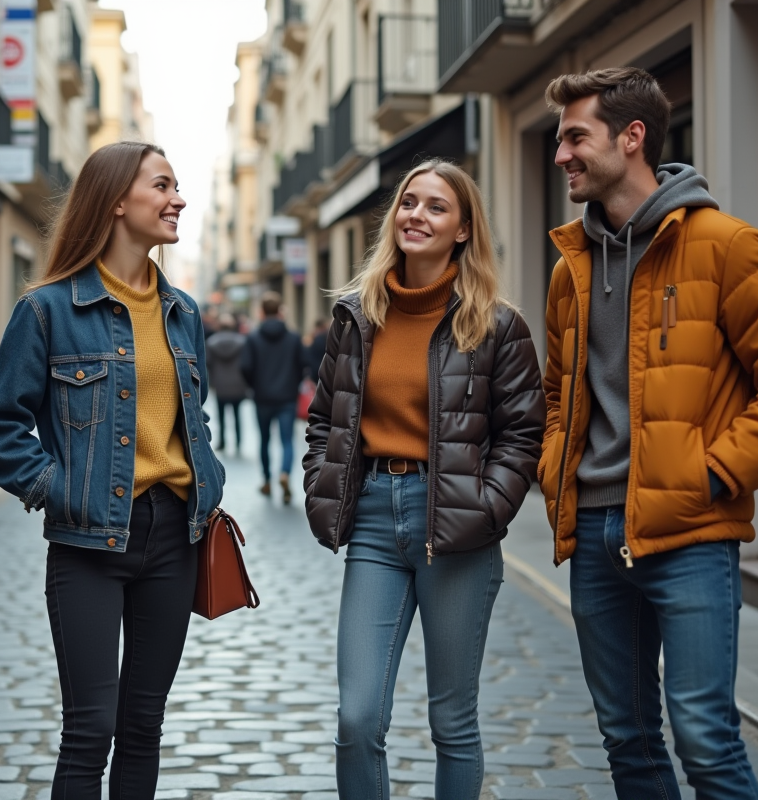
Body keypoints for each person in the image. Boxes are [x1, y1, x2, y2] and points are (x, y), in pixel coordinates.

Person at [540, 67, 758, 799]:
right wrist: (557, 470)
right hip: (595, 532)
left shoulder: (726, 245)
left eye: (576, 136)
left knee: (705, 737)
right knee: (627, 743)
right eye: (558, 139)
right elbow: (557, 393)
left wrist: (714, 473)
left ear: (631, 137)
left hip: (692, 536)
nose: (562, 155)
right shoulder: (568, 269)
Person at [0, 141, 225, 800]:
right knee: (89, 729)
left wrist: (210, 476)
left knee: (143, 725)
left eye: (178, 186)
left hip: (174, 536)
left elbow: (189, 416)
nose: (179, 199)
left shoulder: (184, 313)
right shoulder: (47, 310)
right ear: (117, 201)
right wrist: (57, 488)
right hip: (88, 541)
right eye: (163, 186)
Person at [303, 159, 545, 800]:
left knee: (453, 722)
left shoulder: (496, 325)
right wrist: (319, 488)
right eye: (410, 202)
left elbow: (523, 433)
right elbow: (324, 420)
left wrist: (488, 509)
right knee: (357, 719)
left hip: (460, 529)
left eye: (437, 207)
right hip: (377, 521)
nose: (417, 215)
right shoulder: (356, 317)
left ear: (464, 230)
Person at [240, 292, 305, 503]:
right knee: (287, 440)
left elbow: (245, 367)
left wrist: (255, 386)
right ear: (280, 312)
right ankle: (285, 473)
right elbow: (304, 365)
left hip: (262, 397)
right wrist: (293, 383)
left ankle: (267, 481)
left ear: (261, 312)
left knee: (265, 440)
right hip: (287, 397)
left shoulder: (253, 338)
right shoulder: (294, 338)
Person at [205, 313, 249, 453]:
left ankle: (222, 442)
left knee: (221, 415)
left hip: (220, 385)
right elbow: (246, 364)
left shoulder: (211, 342)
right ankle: (238, 442)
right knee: (237, 415)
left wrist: (211, 382)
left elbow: (208, 364)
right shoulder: (242, 342)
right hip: (238, 384)